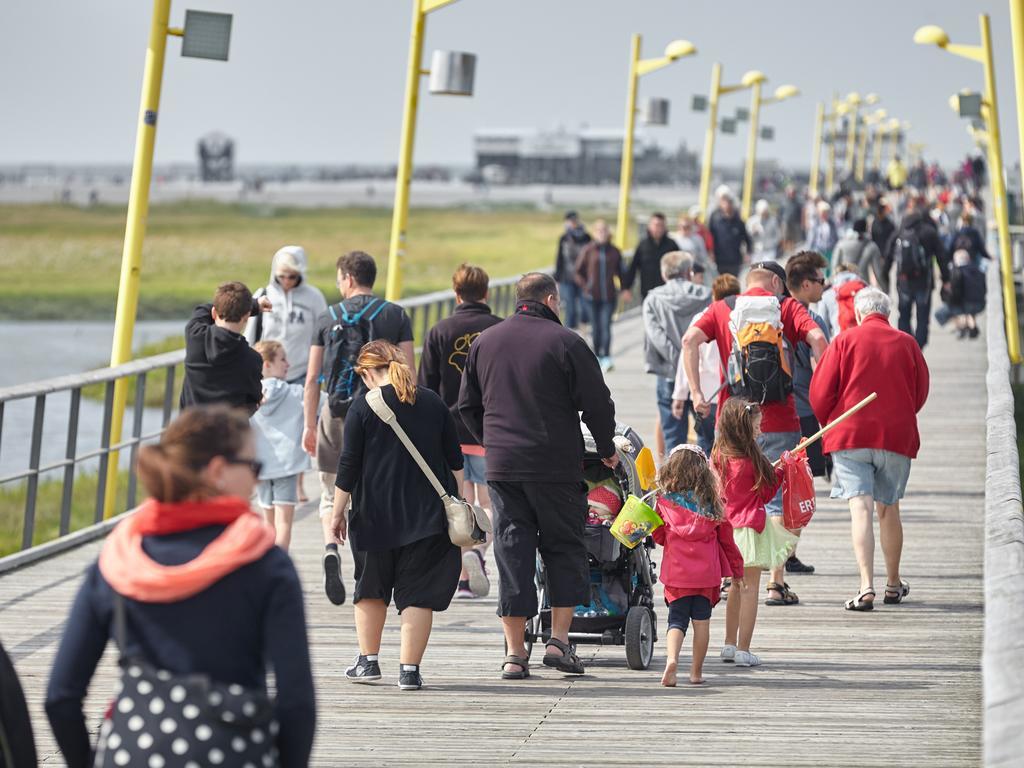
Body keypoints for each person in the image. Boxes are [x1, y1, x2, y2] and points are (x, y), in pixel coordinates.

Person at [46, 406, 315, 767]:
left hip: (134, 753)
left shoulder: (119, 561)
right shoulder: (266, 565)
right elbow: (296, 700)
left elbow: (60, 697)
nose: (257, 480)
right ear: (218, 471)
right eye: (252, 466)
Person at [458, 272, 618, 680]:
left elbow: (466, 406)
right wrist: (606, 449)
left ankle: (514, 653)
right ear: (550, 299)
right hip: (556, 466)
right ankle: (558, 643)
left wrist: (493, 442)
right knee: (564, 547)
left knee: (512, 552)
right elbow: (598, 402)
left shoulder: (485, 342)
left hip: (504, 467)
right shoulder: (567, 343)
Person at [682, 264, 827, 606]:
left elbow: (689, 340)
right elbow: (818, 339)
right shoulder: (787, 307)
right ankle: (775, 582)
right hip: (778, 419)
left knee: (725, 496)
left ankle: (728, 573)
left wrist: (695, 392)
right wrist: (823, 391)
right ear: (777, 283)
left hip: (730, 419)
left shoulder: (722, 308)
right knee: (777, 497)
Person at [330, 342, 463, 691]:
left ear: (367, 371)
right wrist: (458, 502)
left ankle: (368, 663)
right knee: (417, 595)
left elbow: (348, 467)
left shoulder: (362, 407)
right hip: (427, 517)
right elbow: (455, 459)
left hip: (374, 516)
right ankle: (409, 671)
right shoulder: (432, 402)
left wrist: (336, 512)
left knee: (371, 589)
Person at [304, 251, 415, 606]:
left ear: (348, 279)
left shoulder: (326, 317)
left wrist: (309, 425)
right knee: (374, 490)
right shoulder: (396, 314)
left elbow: (311, 378)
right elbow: (409, 370)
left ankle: (330, 546)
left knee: (329, 492)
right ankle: (369, 567)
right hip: (383, 415)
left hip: (335, 415)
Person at [810, 288, 930, 611]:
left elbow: (820, 394)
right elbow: (920, 392)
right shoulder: (907, 343)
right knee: (888, 508)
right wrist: (901, 414)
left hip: (850, 435)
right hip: (894, 436)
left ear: (860, 314)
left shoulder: (844, 341)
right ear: (887, 315)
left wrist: (830, 421)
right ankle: (893, 583)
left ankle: (866, 586)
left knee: (860, 508)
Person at [418, 264, 503, 599]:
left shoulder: (439, 331)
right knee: (490, 502)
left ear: (455, 293)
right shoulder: (499, 329)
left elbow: (425, 387)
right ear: (486, 293)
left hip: (448, 431)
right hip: (486, 429)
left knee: (458, 503)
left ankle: (464, 577)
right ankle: (479, 554)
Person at [712, 398, 796, 667]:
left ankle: (728, 643)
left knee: (735, 589)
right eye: (757, 427)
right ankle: (744, 649)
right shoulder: (752, 460)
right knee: (749, 590)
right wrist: (782, 469)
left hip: (727, 531)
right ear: (743, 429)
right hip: (749, 531)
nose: (760, 432)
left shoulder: (718, 456)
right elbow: (767, 492)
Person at [652, 444, 744, 686]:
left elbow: (659, 537)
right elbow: (727, 542)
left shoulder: (665, 504)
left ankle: (672, 659)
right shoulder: (714, 505)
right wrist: (737, 571)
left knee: (676, 621)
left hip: (676, 575)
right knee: (701, 623)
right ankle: (696, 673)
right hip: (706, 576)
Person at [642, 251, 711, 455]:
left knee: (673, 439)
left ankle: (677, 485)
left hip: (668, 374)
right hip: (702, 375)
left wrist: (679, 362)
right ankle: (706, 483)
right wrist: (688, 362)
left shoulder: (653, 300)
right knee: (707, 438)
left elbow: (656, 336)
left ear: (664, 274)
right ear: (689, 272)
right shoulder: (706, 295)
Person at [672, 274, 741, 456]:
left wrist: (680, 394)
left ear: (713, 295)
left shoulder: (701, 318)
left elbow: (685, 354)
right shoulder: (741, 317)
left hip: (705, 396)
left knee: (706, 446)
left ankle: (707, 483)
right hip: (731, 393)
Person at [252, 340, 310, 551]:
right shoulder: (294, 393)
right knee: (284, 522)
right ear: (267, 364)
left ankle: (266, 566)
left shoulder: (251, 396)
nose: (288, 363)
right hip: (286, 467)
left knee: (268, 523)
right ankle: (279, 567)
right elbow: (323, 402)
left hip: (260, 467)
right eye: (282, 359)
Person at [180, 281, 269, 416]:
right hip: (227, 434)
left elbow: (203, 309)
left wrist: (254, 304)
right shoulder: (252, 360)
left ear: (214, 313)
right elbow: (251, 402)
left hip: (189, 431)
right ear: (246, 317)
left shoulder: (195, 335)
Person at [245, 245, 328, 385]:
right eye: (281, 276)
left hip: (302, 375)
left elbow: (324, 335)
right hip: (266, 375)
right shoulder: (263, 295)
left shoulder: (314, 297)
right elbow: (250, 335)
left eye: (292, 276)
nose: (287, 281)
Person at [785, 252, 832, 485]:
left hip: (775, 409)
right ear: (806, 284)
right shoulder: (814, 321)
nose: (824, 286)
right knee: (805, 480)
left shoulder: (774, 315)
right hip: (805, 410)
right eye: (821, 281)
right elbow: (824, 369)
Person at [883, 197, 949, 349]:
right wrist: (946, 278)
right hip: (923, 282)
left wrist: (885, 279)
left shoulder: (899, 232)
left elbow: (888, 255)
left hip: (903, 281)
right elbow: (942, 256)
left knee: (904, 315)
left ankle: (906, 346)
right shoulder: (929, 232)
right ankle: (918, 347)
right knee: (923, 316)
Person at [575, 219, 626, 371]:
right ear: (594, 232)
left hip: (609, 297)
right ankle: (597, 355)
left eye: (604, 230)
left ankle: (607, 356)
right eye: (599, 230)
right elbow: (578, 271)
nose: (602, 233)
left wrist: (624, 288)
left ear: (608, 232)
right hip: (591, 297)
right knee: (596, 327)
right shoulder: (588, 250)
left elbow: (622, 272)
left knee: (606, 326)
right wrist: (586, 287)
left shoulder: (614, 251)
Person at [623, 212, 679, 300]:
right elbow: (633, 268)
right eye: (656, 225)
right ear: (649, 226)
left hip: (668, 293)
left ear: (665, 227)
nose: (658, 228)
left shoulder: (672, 245)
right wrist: (626, 288)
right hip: (647, 293)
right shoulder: (642, 245)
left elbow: (680, 267)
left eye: (661, 225)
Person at [554, 211, 592, 329]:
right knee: (570, 306)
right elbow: (559, 260)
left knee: (584, 305)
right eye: (570, 221)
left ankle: (584, 329)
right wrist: (557, 279)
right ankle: (569, 332)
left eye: (574, 220)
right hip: (567, 278)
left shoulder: (587, 237)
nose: (573, 223)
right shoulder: (564, 239)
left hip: (583, 278)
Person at [940, 249, 986, 339]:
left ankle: (961, 327)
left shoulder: (957, 272)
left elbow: (955, 292)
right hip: (980, 303)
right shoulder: (979, 270)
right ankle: (971, 326)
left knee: (943, 312)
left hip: (965, 304)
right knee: (969, 310)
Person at [707, 186, 751, 277]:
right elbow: (709, 236)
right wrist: (710, 252)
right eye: (724, 202)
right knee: (722, 285)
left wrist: (748, 253)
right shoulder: (714, 218)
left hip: (735, 259)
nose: (727, 205)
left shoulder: (739, 221)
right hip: (719, 259)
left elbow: (746, 238)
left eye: (729, 202)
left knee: (733, 284)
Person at [833, 218, 882, 284]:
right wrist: (885, 290)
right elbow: (878, 272)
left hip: (843, 282)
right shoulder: (871, 245)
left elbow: (835, 265)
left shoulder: (841, 243)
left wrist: (834, 282)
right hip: (861, 283)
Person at [870, 198, 896, 292]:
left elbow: (893, 239)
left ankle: (886, 292)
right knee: (878, 275)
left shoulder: (889, 224)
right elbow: (873, 238)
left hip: (887, 254)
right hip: (877, 253)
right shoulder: (875, 223)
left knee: (884, 274)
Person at [805, 201, 838, 269]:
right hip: (819, 250)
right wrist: (808, 253)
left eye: (826, 213)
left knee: (829, 268)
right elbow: (811, 239)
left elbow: (835, 237)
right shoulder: (816, 224)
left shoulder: (832, 223)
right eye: (823, 213)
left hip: (830, 250)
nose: (825, 215)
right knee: (820, 268)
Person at [780, 185, 805, 257]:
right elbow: (780, 213)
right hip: (786, 222)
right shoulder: (783, 202)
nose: (791, 194)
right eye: (790, 193)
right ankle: (786, 252)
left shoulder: (798, 202)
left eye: (793, 193)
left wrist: (802, 223)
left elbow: (801, 213)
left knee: (794, 239)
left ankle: (792, 252)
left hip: (795, 223)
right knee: (786, 238)